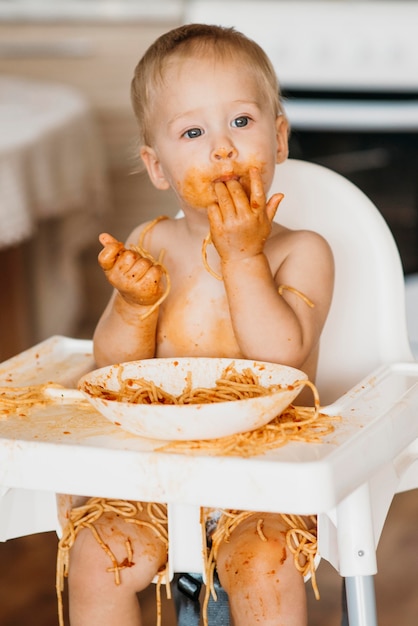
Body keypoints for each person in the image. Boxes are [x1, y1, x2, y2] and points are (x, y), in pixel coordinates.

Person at [63, 23, 334, 626]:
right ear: (158, 167)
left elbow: (284, 359)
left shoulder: (302, 252)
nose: (222, 149)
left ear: (280, 137)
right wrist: (134, 307)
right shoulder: (151, 244)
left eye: (241, 122)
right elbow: (113, 366)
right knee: (95, 558)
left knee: (265, 566)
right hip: (158, 472)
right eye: (194, 131)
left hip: (265, 481)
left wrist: (243, 257)